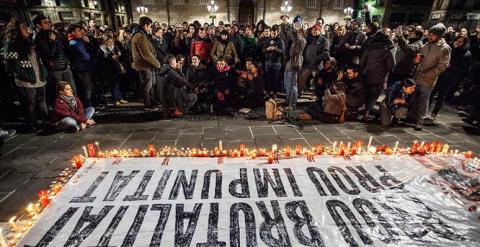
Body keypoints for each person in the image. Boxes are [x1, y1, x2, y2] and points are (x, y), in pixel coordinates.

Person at [4, 19, 49, 130]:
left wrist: (43, 71)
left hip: (39, 77)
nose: (27, 29)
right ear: (16, 30)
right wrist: (25, 75)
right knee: (31, 103)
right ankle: (34, 124)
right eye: (23, 27)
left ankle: (45, 121)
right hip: (27, 80)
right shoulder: (11, 45)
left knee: (42, 100)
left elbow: (39, 58)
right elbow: (13, 65)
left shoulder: (30, 42)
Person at [409, 23, 451, 131]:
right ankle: (412, 116)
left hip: (428, 79)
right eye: (429, 34)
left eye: (432, 35)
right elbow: (419, 59)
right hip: (417, 76)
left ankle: (420, 120)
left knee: (424, 99)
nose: (429, 37)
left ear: (439, 36)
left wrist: (428, 74)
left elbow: (442, 66)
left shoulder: (444, 48)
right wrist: (416, 61)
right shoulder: (425, 45)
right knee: (414, 97)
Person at [32, 14, 74, 106]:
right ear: (38, 25)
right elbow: (51, 54)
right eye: (45, 22)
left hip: (65, 66)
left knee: (72, 91)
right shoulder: (39, 38)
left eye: (48, 22)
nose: (48, 24)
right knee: (60, 94)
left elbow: (64, 49)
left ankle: (75, 110)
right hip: (54, 69)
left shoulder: (53, 33)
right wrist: (52, 41)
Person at [426, 36, 471, 122]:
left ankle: (434, 114)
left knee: (441, 95)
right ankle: (425, 110)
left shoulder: (466, 54)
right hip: (441, 73)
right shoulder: (450, 48)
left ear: (464, 43)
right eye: (457, 40)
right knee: (432, 92)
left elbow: (463, 69)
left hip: (451, 76)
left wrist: (451, 66)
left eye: (461, 41)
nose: (458, 42)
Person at [360, 21, 395, 118]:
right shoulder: (387, 52)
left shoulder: (369, 49)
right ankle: (367, 111)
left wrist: (363, 71)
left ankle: (365, 109)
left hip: (367, 75)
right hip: (380, 78)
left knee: (367, 93)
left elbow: (361, 63)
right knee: (374, 95)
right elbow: (391, 67)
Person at [131, 16, 161, 110]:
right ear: (145, 26)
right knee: (147, 86)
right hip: (144, 66)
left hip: (145, 65)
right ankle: (148, 104)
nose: (150, 28)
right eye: (150, 26)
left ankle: (151, 101)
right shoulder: (140, 36)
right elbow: (146, 54)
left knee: (150, 84)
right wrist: (157, 64)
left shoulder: (139, 35)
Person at [68, 24, 94, 109]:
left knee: (87, 88)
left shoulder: (80, 41)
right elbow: (86, 56)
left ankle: (88, 106)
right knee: (86, 89)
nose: (81, 32)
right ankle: (87, 107)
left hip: (84, 67)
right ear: (73, 32)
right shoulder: (75, 43)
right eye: (78, 31)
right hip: (81, 68)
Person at [283, 15, 307, 109]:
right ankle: (288, 100)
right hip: (288, 63)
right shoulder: (291, 37)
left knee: (293, 84)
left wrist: (294, 32)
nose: (296, 26)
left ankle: (292, 104)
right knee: (286, 83)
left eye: (298, 24)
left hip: (295, 63)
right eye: (295, 23)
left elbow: (297, 48)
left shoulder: (302, 40)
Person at [299, 23, 330, 93]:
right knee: (301, 78)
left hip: (317, 65)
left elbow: (326, 53)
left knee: (318, 81)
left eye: (316, 30)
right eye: (313, 30)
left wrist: (316, 58)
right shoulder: (308, 39)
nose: (314, 31)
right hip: (307, 64)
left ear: (320, 31)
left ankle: (317, 94)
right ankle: (301, 91)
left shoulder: (324, 40)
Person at [97, 35, 128, 106]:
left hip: (116, 68)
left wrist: (118, 54)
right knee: (113, 85)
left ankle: (120, 98)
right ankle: (115, 100)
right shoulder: (101, 49)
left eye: (112, 41)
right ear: (105, 42)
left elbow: (119, 53)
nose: (111, 43)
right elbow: (100, 60)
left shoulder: (114, 47)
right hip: (108, 69)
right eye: (109, 41)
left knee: (118, 84)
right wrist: (110, 57)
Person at [263, 25, 285, 99]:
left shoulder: (280, 40)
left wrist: (275, 49)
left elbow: (282, 51)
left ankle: (275, 92)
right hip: (268, 62)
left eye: (275, 33)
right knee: (268, 78)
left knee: (275, 79)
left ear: (277, 33)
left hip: (276, 63)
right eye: (272, 33)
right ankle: (268, 92)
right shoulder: (268, 40)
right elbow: (263, 50)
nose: (273, 35)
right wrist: (267, 49)